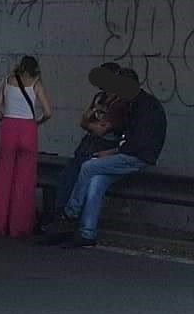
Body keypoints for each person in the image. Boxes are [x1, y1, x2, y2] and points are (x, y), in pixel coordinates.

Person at [41, 67, 166, 248]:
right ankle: (87, 233)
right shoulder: (135, 103)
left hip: (138, 156)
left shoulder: (145, 107)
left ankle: (69, 215)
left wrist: (111, 152)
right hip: (132, 153)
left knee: (89, 167)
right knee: (96, 182)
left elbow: (136, 142)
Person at [40, 61, 127, 234]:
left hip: (103, 147)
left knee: (81, 180)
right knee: (65, 178)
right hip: (87, 145)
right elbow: (84, 121)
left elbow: (102, 129)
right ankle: (58, 218)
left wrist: (90, 123)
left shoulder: (119, 103)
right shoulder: (99, 97)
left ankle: (70, 221)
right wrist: (90, 124)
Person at [0, 55, 53, 238]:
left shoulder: (6, 81)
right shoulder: (36, 83)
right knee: (24, 180)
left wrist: (7, 121)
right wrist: (35, 123)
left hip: (8, 128)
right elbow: (48, 112)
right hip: (28, 129)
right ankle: (19, 227)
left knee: (3, 178)